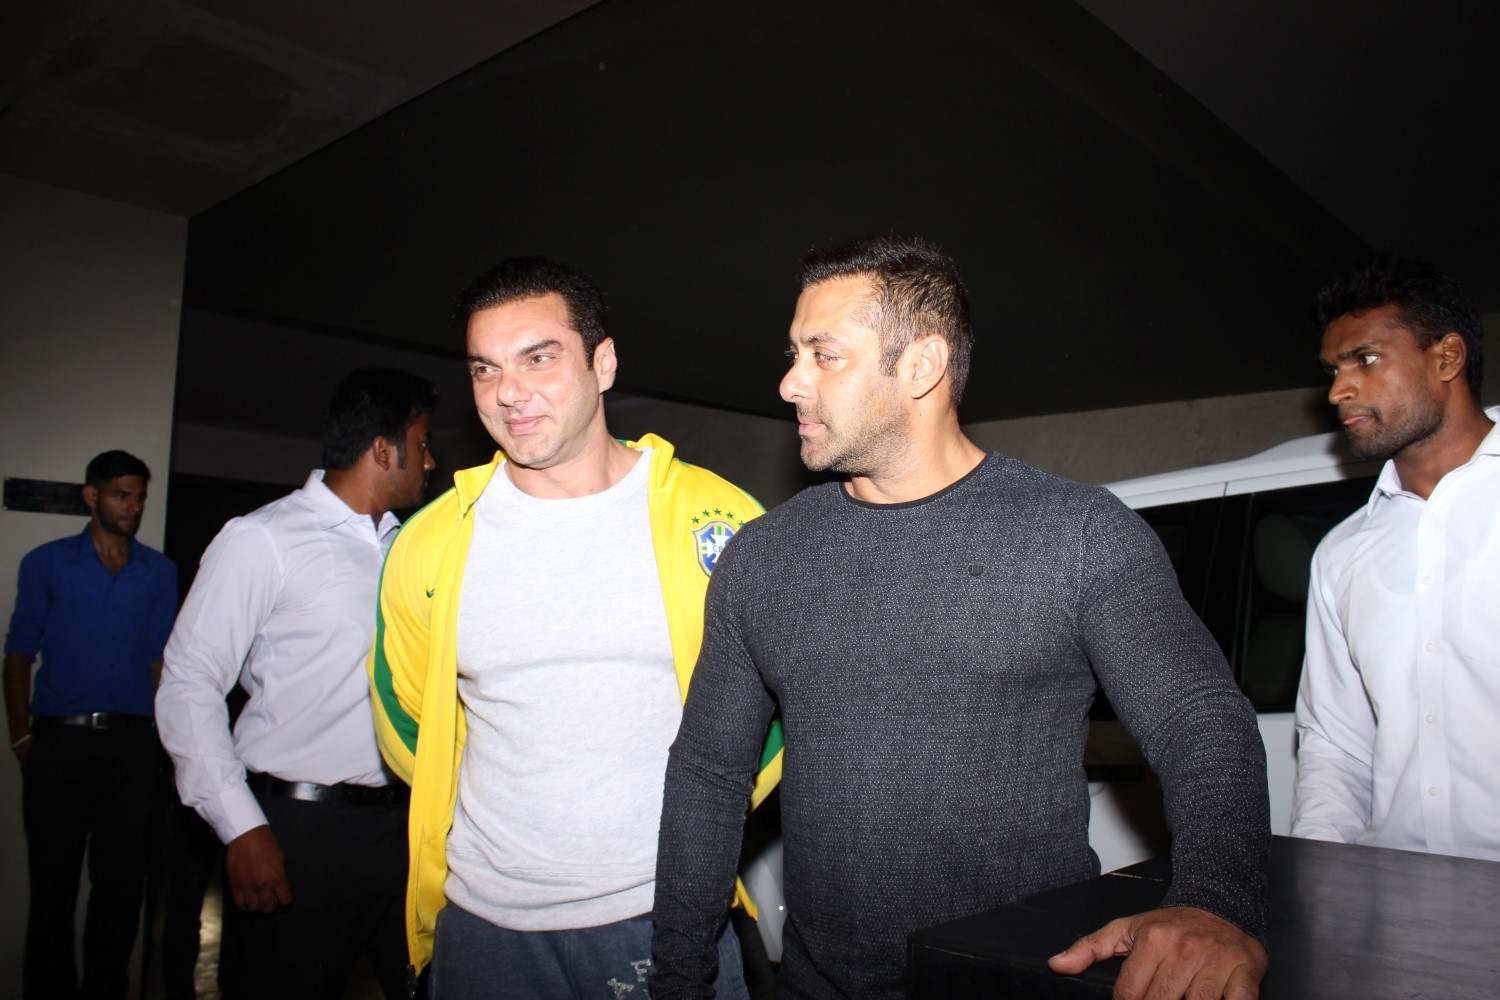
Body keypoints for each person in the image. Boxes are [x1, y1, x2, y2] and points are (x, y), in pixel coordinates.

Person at [649, 236, 1272, 1000]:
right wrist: (678, 982)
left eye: (824, 355)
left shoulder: (1078, 534)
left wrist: (1215, 900)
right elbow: (709, 775)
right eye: (793, 354)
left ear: (921, 366)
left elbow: (1199, 718)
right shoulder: (763, 559)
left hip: (1018, 981)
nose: (789, 383)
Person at [368, 258, 783, 1000]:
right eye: (485, 369)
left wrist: (700, 831)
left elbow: (778, 712)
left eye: (539, 358)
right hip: (484, 927)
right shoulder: (430, 542)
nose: (508, 392)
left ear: (604, 363)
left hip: (666, 913)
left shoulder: (719, 521)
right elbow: (408, 721)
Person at [155, 368, 437, 1000]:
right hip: (299, 829)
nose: (430, 460)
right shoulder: (263, 539)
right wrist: (241, 826)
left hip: (401, 832)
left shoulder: (409, 548)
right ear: (383, 450)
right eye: (421, 444)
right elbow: (189, 682)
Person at [1293, 256, 1498, 860]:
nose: (1338, 390)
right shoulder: (1342, 554)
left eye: (1365, 359)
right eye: (1333, 369)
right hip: (1398, 890)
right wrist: (1324, 880)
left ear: (1447, 358)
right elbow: (1334, 745)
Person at [4, 449, 178, 1000]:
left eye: (140, 497)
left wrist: (166, 743)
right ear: (92, 496)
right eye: (122, 495)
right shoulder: (46, 563)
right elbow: (18, 653)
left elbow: (160, 661)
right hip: (58, 744)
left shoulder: (160, 572)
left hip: (132, 748)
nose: (133, 507)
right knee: (52, 890)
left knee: (121, 890)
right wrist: (21, 735)